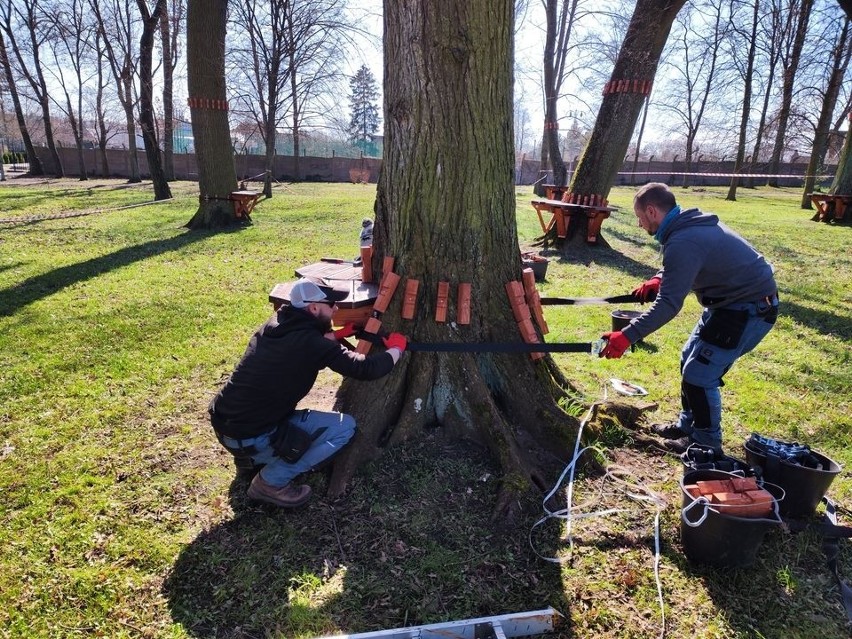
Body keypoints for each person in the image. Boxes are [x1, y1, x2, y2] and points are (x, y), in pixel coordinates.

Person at [599, 183, 778, 454]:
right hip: (728, 304)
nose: (639, 224)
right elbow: (692, 261)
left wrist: (627, 336)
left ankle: (706, 444)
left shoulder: (683, 240)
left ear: (651, 211)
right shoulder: (687, 225)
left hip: (749, 308)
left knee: (700, 374)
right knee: (688, 358)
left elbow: (669, 305)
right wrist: (660, 278)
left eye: (639, 217)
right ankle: (687, 427)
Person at [209, 278, 407, 508]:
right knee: (344, 428)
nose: (335, 309)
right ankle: (270, 483)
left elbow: (307, 343)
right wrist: (396, 349)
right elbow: (365, 368)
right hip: (252, 435)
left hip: (226, 426)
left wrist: (338, 334)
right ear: (313, 308)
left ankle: (251, 459)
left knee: (263, 424)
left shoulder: (276, 323)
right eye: (331, 304)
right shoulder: (312, 343)